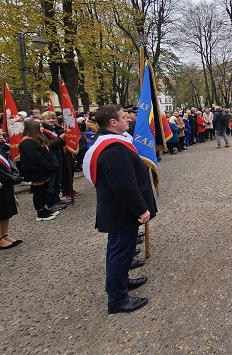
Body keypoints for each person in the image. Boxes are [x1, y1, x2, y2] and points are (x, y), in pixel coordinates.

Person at [83, 105, 156, 314]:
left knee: (120, 249)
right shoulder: (113, 147)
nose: (128, 120)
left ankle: (121, 282)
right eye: (124, 117)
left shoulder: (109, 140)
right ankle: (117, 298)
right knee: (120, 252)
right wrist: (141, 209)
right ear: (113, 122)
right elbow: (123, 184)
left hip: (117, 208)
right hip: (122, 209)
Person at [18, 119, 60, 221]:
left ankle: (44, 208)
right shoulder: (28, 142)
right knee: (39, 191)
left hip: (42, 169)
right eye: (40, 126)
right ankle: (40, 213)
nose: (42, 128)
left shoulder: (36, 139)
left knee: (44, 189)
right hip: (36, 170)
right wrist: (49, 166)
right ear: (34, 129)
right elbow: (37, 158)